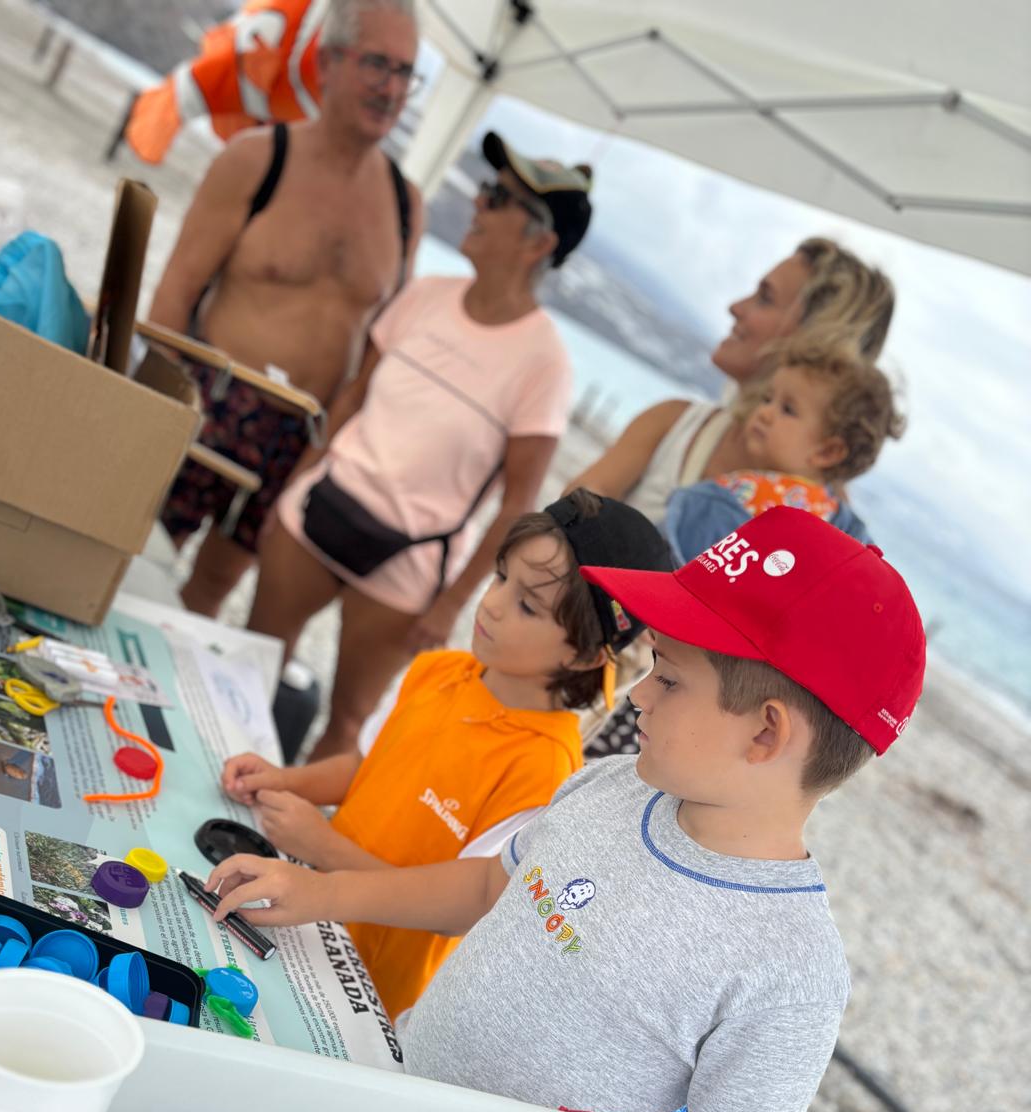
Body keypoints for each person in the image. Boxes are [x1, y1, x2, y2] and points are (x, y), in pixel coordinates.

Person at [205, 507, 927, 1112]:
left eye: (669, 680)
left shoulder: (791, 969)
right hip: (387, 1088)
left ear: (766, 731)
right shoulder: (614, 784)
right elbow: (491, 885)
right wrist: (322, 891)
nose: (637, 693)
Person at [221, 492, 672, 1020]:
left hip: (365, 984)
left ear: (585, 653)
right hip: (302, 909)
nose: (494, 604)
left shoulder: (543, 767)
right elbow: (366, 765)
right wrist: (287, 779)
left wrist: (320, 847)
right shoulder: (438, 671)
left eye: (528, 605)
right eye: (501, 576)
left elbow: (455, 910)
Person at [243, 132, 592, 759]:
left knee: (346, 726)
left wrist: (453, 604)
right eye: (488, 190)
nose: (478, 203)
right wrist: (291, 487)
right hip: (319, 511)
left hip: (409, 565)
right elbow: (351, 398)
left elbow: (518, 503)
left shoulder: (545, 363)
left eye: (500, 197)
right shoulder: (425, 295)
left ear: (539, 242)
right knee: (249, 673)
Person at [149, 0, 424, 616]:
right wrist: (154, 406)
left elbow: (379, 350)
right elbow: (175, 291)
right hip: (207, 400)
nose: (391, 88)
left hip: (302, 437)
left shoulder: (406, 205)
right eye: (377, 64)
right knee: (138, 554)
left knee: (210, 594)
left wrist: (322, 458)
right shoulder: (257, 157)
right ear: (328, 62)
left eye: (406, 72)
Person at [570, 237, 896, 757]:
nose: (736, 307)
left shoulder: (833, 545)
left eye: (765, 299)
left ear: (811, 336)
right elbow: (558, 537)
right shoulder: (676, 425)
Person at [663, 337, 904, 562]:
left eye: (788, 409)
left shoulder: (708, 505)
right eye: (768, 398)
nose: (765, 412)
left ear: (828, 452)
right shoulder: (853, 542)